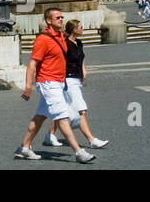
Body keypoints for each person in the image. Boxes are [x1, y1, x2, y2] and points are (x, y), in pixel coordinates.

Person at [14, 8, 95, 163]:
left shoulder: (60, 37)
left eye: (62, 17)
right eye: (57, 17)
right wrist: (28, 86)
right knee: (62, 116)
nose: (61, 19)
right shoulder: (42, 40)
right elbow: (32, 64)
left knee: (40, 117)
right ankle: (79, 152)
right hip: (48, 82)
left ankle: (25, 147)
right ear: (48, 21)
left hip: (58, 82)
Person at [44, 19, 108, 150]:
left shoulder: (78, 42)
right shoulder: (65, 44)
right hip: (68, 79)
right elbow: (59, 60)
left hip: (77, 78)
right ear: (74, 29)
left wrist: (83, 69)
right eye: (80, 27)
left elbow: (81, 57)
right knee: (81, 110)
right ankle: (92, 139)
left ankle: (50, 135)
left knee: (62, 110)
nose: (83, 29)